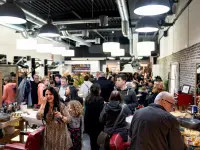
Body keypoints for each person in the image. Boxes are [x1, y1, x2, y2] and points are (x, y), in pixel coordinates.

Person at [84, 83, 104, 150]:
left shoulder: (87, 98)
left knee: (92, 139)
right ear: (98, 90)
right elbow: (101, 112)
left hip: (88, 121)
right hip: (96, 123)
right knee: (96, 139)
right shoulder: (100, 99)